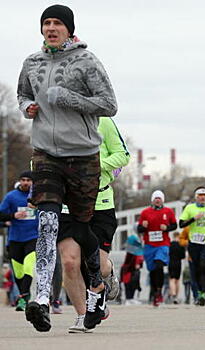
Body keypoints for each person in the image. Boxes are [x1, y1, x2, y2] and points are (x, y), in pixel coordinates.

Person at [17, 4, 117, 332]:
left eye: (57, 22)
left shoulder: (87, 61)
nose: (50, 27)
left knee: (81, 230)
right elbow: (23, 93)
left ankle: (98, 292)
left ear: (69, 28)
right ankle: (41, 299)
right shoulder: (32, 62)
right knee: (47, 221)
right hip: (46, 154)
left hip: (83, 156)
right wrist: (26, 107)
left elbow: (109, 104)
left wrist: (69, 98)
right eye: (46, 22)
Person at [58, 116, 130, 332]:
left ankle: (107, 276)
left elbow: (123, 156)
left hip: (100, 202)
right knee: (70, 263)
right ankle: (82, 315)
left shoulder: (103, 121)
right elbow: (40, 157)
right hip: (68, 203)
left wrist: (96, 165)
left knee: (97, 263)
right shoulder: (57, 121)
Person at [0, 171, 38, 312]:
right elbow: (1, 214)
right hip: (15, 239)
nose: (26, 182)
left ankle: (22, 297)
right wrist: (13, 215)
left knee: (29, 266)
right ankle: (25, 295)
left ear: (33, 183)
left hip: (33, 238)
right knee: (18, 273)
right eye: (23, 180)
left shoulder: (38, 197)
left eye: (28, 180)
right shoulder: (11, 197)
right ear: (19, 181)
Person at [138, 191, 177, 307]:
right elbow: (139, 229)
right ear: (152, 200)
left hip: (162, 244)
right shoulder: (145, 212)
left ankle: (159, 291)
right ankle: (155, 292)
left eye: (159, 198)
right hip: (149, 245)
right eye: (155, 198)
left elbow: (175, 225)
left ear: (163, 200)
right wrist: (142, 226)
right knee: (153, 270)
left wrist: (167, 228)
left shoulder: (168, 212)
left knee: (159, 264)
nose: (157, 200)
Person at [179, 187, 205, 306]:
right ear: (196, 197)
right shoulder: (189, 208)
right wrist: (194, 218)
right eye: (200, 195)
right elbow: (181, 224)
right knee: (196, 269)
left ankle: (204, 293)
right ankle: (198, 293)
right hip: (193, 242)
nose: (203, 197)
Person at [121, 234, 144, 305]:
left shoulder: (137, 251)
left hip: (132, 270)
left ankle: (131, 298)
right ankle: (128, 299)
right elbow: (128, 263)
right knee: (128, 284)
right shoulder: (131, 252)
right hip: (128, 271)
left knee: (134, 284)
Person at [168, 232, 185, 304]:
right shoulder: (181, 245)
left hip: (171, 262)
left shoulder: (170, 245)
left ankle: (173, 294)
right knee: (177, 280)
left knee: (172, 279)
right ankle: (176, 297)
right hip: (178, 263)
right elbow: (183, 256)